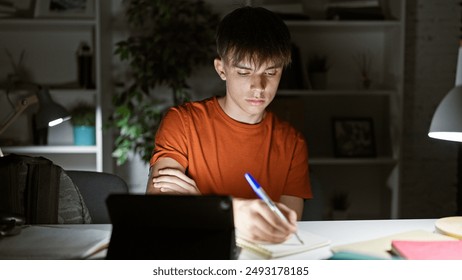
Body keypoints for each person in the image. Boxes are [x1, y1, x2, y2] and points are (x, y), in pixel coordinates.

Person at [146, 6, 312, 243]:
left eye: (271, 72)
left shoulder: (292, 142)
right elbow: (161, 206)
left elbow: (285, 227)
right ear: (221, 69)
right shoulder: (182, 122)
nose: (259, 86)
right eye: (244, 73)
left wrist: (202, 205)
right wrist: (237, 214)